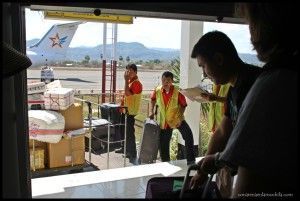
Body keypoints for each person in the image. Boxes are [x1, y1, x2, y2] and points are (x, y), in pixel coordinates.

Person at [216, 3, 298, 197]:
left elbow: (250, 189)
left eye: (250, 22)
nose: (250, 34)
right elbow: (222, 130)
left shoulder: (274, 83)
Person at [188, 31, 262, 198]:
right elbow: (222, 132)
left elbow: (253, 139)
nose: (204, 74)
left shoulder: (255, 84)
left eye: (203, 66)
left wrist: (217, 159)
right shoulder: (233, 90)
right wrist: (202, 171)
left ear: (219, 59)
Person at [149, 71, 196, 165]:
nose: (166, 83)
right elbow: (153, 99)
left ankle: (191, 161)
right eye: (164, 80)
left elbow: (183, 105)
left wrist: (179, 117)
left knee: (188, 136)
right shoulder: (157, 90)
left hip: (177, 119)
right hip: (164, 121)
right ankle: (166, 163)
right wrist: (151, 111)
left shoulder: (178, 91)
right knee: (164, 144)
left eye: (168, 81)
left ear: (172, 81)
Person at [115, 63, 143, 165]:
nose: (128, 73)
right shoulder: (130, 82)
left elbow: (128, 93)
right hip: (125, 110)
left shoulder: (136, 83)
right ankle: (124, 148)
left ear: (135, 72)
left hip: (131, 112)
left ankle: (132, 153)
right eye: (127, 71)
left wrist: (126, 80)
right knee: (123, 130)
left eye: (130, 71)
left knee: (130, 133)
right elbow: (126, 94)